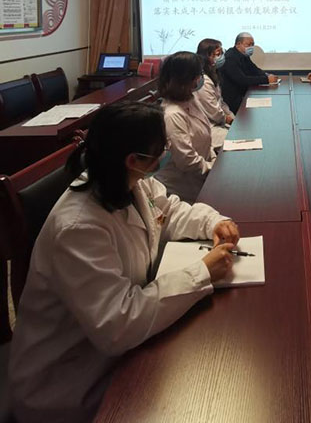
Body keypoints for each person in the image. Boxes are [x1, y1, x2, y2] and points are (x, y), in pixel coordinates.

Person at [9, 102, 239, 423]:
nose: (164, 156)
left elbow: (168, 210)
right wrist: (201, 272)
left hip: (115, 350)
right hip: (70, 379)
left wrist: (213, 222)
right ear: (133, 159)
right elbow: (118, 324)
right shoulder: (78, 227)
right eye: (160, 151)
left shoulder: (128, 179)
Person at [154, 51, 215, 203]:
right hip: (181, 189)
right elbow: (186, 161)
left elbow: (206, 139)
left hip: (201, 176)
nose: (201, 78)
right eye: (198, 74)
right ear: (186, 79)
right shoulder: (172, 115)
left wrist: (215, 161)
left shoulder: (190, 99)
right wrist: (213, 168)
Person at [220, 32, 278, 114]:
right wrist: (266, 79)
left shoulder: (243, 55)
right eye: (248, 45)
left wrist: (266, 75)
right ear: (238, 44)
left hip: (243, 94)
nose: (251, 47)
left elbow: (254, 69)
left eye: (252, 44)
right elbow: (242, 80)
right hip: (232, 100)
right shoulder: (230, 58)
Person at [196, 37, 235, 150]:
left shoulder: (213, 74)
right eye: (218, 54)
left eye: (222, 53)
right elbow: (212, 110)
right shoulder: (203, 81)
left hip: (218, 121)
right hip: (209, 126)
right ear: (206, 56)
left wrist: (232, 116)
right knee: (236, 139)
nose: (222, 56)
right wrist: (228, 119)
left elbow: (220, 102)